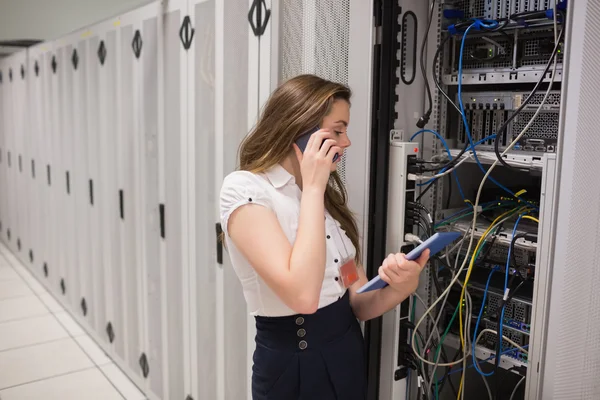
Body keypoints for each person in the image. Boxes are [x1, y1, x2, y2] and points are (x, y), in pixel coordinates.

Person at [219, 74, 430, 400]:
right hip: (295, 366)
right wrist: (314, 188)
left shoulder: (322, 198)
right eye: (337, 130)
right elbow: (302, 297)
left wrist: (402, 286)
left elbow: (357, 303)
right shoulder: (246, 190)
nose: (345, 142)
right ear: (301, 130)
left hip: (346, 353)